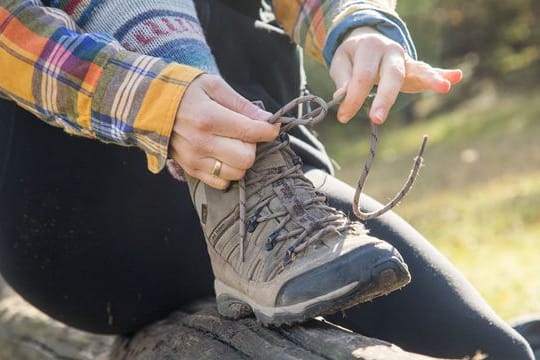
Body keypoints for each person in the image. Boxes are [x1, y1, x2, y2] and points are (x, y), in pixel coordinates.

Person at [0, 0, 534, 358]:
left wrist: (356, 23)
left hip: (285, 188)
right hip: (85, 215)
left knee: (496, 350)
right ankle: (235, 196)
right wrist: (157, 104)